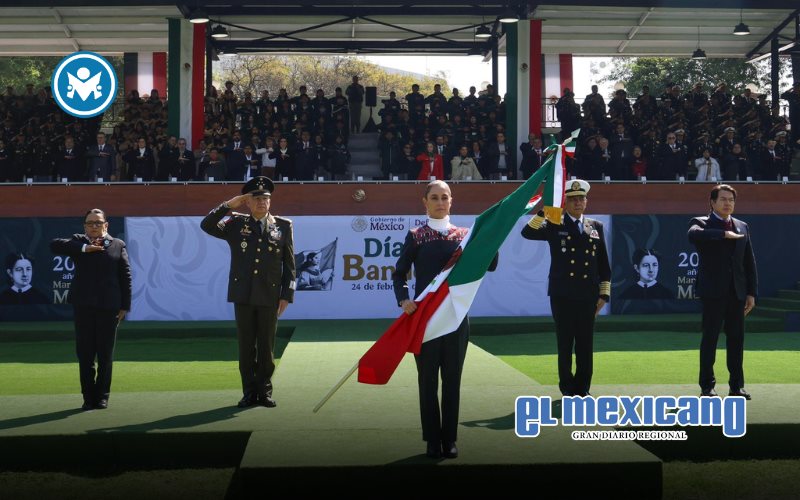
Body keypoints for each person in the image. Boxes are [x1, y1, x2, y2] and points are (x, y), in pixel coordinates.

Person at [392, 180, 497, 459]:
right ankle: (431, 439)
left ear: (452, 201)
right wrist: (404, 300)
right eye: (435, 197)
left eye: (445, 197)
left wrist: (491, 236)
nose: (440, 202)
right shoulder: (416, 235)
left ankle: (449, 438)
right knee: (427, 382)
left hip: (455, 320)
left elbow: (492, 263)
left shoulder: (464, 235)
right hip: (424, 322)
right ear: (424, 201)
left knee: (452, 381)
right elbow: (399, 273)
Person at [200, 176, 296, 408]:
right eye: (256, 198)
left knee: (266, 347)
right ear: (247, 202)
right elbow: (207, 225)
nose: (262, 202)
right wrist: (228, 205)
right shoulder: (235, 224)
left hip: (269, 296)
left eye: (265, 198)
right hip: (243, 295)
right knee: (246, 347)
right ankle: (249, 392)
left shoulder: (283, 226)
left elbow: (290, 265)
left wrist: (286, 296)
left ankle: (264, 391)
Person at [521, 180, 610, 397]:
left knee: (585, 345)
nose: (578, 202)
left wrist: (604, 294)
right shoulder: (555, 223)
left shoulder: (595, 227)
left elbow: (603, 265)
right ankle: (567, 389)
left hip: (587, 295)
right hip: (562, 295)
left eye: (581, 198)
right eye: (573, 199)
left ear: (586, 202)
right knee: (565, 343)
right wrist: (544, 212)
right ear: (565, 202)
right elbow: (527, 232)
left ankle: (583, 389)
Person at [50, 209, 132, 410]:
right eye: (90, 223)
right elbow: (54, 245)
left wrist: (125, 306)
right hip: (84, 307)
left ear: (106, 225)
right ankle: (88, 397)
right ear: (84, 226)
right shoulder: (79, 242)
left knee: (105, 355)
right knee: (85, 355)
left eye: (98, 222)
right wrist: (85, 248)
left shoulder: (116, 244)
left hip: (109, 308)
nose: (94, 226)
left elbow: (126, 277)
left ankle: (102, 396)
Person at [688, 184, 757, 400]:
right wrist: (723, 234)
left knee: (737, 340)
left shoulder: (742, 226)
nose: (728, 203)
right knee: (710, 339)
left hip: (737, 293)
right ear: (712, 202)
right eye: (723, 199)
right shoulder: (701, 223)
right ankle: (707, 387)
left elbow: (749, 262)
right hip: (713, 293)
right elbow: (693, 235)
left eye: (731, 200)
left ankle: (737, 386)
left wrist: (751, 293)